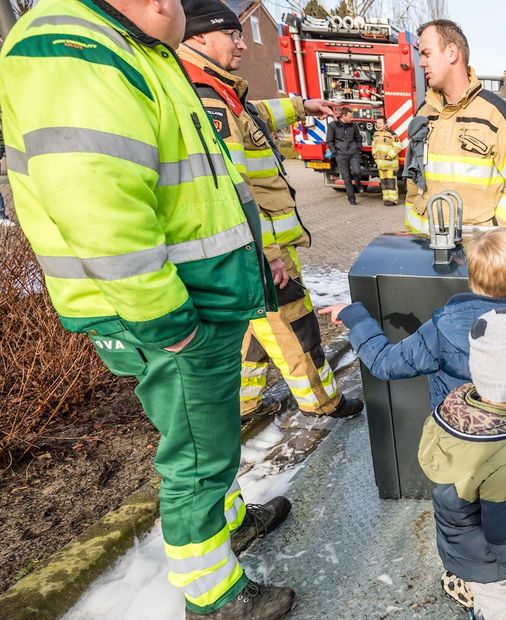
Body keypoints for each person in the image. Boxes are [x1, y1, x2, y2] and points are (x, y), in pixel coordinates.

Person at [0, 0, 297, 616]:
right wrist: (167, 323)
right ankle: (214, 593)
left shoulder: (132, 50)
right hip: (168, 312)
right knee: (196, 454)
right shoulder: (76, 51)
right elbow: (98, 206)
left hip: (191, 299)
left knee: (207, 437)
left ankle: (228, 521)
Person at [178, 0, 361, 423]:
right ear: (199, 35)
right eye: (232, 35)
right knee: (296, 329)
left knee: (253, 331)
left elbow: (256, 114)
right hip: (261, 246)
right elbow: (232, 189)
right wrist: (268, 254)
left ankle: (242, 404)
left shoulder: (212, 89)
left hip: (247, 249)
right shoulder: (210, 98)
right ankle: (324, 403)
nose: (241, 45)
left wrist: (305, 106)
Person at [419, 304, 506, 619]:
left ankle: (473, 597)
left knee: (487, 598)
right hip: (496, 570)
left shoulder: (455, 410)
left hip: (462, 546)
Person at [319, 228, 506, 410]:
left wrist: (355, 317)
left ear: (471, 277)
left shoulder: (442, 328)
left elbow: (385, 363)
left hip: (455, 435)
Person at [402, 19, 506, 232]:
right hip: (424, 249)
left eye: (426, 54)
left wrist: (496, 232)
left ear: (452, 53)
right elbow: (413, 181)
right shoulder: (423, 113)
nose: (421, 63)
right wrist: (412, 236)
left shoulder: (495, 114)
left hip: (476, 253)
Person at [327, 107, 364, 205]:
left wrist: (358, 147)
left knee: (357, 171)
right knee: (346, 178)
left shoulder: (353, 126)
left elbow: (358, 138)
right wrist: (335, 152)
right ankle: (351, 198)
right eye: (350, 117)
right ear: (343, 116)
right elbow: (329, 141)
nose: (351, 119)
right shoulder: (333, 126)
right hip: (341, 155)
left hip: (353, 153)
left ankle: (358, 184)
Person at [371, 117, 401, 206]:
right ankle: (386, 199)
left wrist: (389, 156)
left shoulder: (392, 134)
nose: (378, 125)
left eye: (380, 123)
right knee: (384, 183)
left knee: (391, 183)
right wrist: (375, 156)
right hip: (381, 164)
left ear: (385, 124)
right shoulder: (376, 134)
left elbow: (398, 147)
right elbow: (374, 146)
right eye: (377, 123)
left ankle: (393, 200)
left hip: (390, 164)